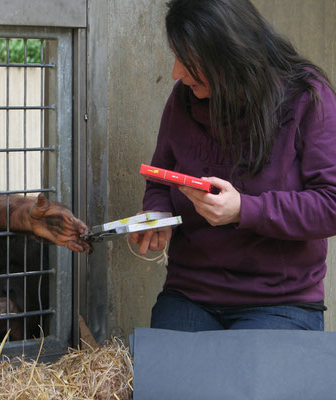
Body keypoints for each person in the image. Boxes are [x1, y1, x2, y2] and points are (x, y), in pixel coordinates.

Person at [130, 0, 336, 331]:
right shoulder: (183, 98)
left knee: (246, 382)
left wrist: (244, 209)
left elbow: (331, 204)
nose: (176, 73)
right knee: (165, 381)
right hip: (191, 292)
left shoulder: (306, 96)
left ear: (229, 53)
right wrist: (158, 216)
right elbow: (159, 181)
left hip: (280, 299)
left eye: (188, 60)